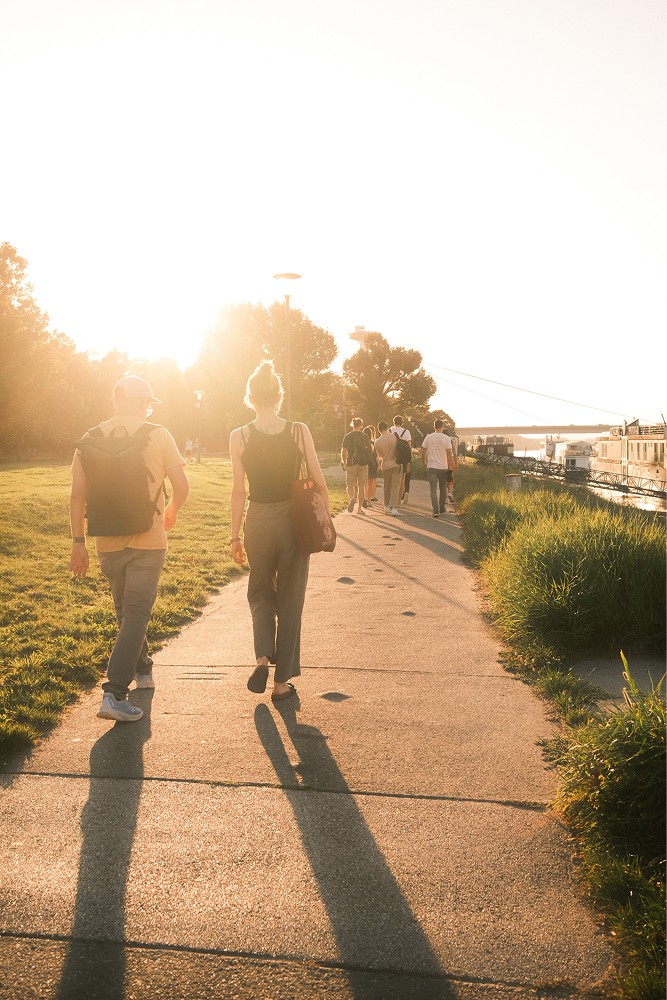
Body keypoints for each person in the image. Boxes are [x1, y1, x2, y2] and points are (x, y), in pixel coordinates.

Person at [69, 375, 190, 722]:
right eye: (148, 402)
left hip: (106, 540)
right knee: (136, 614)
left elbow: (77, 496)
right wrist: (171, 511)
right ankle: (115, 694)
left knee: (127, 612)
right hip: (148, 540)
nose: (149, 408)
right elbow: (182, 486)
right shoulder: (159, 434)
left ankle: (143, 669)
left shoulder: (89, 439)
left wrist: (78, 542)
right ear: (141, 402)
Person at [229, 360, 330, 702]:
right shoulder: (298, 431)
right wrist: (324, 519)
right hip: (292, 519)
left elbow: (238, 491)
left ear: (250, 397)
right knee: (291, 598)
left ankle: (261, 659)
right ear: (279, 396)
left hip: (257, 518)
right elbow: (318, 479)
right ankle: (281, 682)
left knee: (259, 591)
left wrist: (234, 536)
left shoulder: (239, 436)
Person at [421, 419, 454, 517]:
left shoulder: (428, 437)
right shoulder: (446, 438)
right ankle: (442, 507)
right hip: (443, 467)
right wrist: (449, 467)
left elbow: (423, 451)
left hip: (431, 466)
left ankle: (435, 510)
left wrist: (424, 462)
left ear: (434, 427)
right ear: (443, 427)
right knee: (443, 488)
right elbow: (449, 454)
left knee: (433, 489)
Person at [340, 417, 371, 513]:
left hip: (351, 463)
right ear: (361, 426)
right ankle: (359, 509)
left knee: (350, 486)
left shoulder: (347, 436)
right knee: (361, 486)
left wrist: (344, 462)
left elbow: (344, 452)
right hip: (363, 464)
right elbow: (370, 449)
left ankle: (352, 498)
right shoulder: (365, 436)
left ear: (352, 425)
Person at [373, 421, 402, 515]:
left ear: (379, 430)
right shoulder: (395, 437)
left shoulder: (377, 442)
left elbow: (380, 456)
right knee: (395, 486)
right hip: (396, 464)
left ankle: (386, 506)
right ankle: (394, 508)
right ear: (387, 427)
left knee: (387, 486)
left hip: (386, 465)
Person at [389, 415, 412, 506]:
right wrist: (409, 460)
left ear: (393, 422)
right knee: (402, 479)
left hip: (392, 457)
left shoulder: (389, 431)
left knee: (392, 480)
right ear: (402, 422)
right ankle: (398, 501)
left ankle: (392, 499)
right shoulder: (406, 432)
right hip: (403, 459)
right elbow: (409, 447)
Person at [363, 425, 379, 507]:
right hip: (372, 464)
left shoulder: (361, 442)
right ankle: (369, 501)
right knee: (370, 483)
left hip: (363, 463)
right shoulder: (373, 443)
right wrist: (379, 465)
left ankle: (363, 498)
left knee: (363, 483)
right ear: (370, 434)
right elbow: (376, 456)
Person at [444, 427, 459, 502]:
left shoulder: (441, 441)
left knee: (443, 481)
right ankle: (450, 493)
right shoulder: (451, 441)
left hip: (442, 461)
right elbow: (455, 453)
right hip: (451, 461)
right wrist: (456, 463)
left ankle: (445, 499)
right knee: (450, 479)